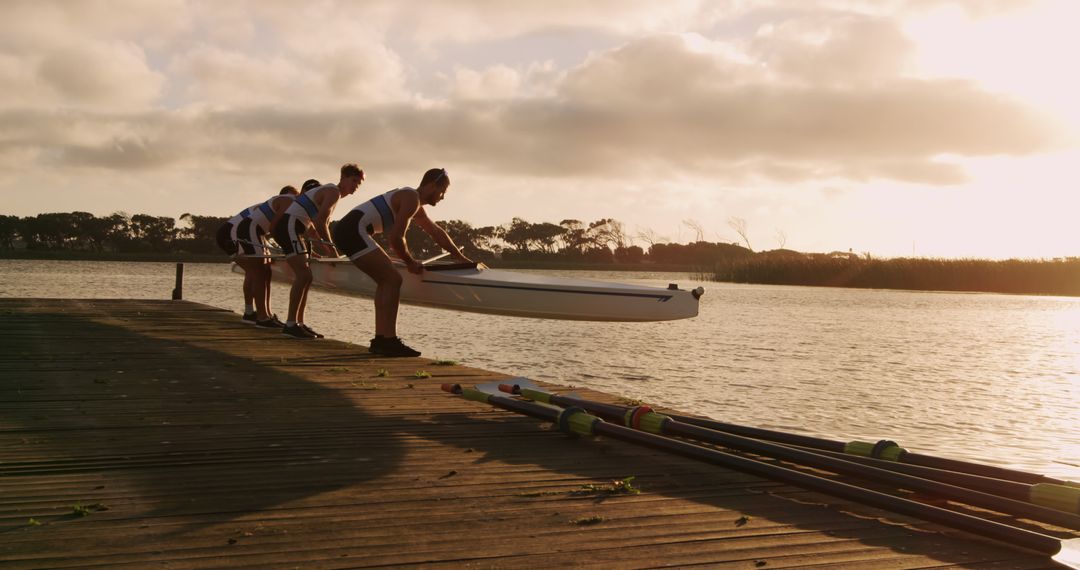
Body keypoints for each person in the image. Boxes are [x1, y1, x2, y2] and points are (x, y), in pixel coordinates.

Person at [332, 167, 472, 357]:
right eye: (442, 192)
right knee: (393, 279)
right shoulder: (410, 198)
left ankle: (380, 340)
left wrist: (458, 255)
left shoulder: (414, 203)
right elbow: (396, 238)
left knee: (386, 280)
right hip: (352, 230)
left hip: (348, 231)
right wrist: (410, 262)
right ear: (431, 186)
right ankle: (389, 340)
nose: (442, 197)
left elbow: (435, 231)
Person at [272, 164, 365, 339]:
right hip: (290, 226)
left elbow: (316, 227)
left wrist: (328, 251)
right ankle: (291, 324)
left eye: (359, 184)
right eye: (353, 181)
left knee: (307, 277)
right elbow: (321, 222)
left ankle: (298, 322)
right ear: (343, 177)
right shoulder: (333, 192)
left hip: (297, 229)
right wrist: (332, 253)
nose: (355, 186)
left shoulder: (331, 194)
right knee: (304, 276)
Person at [229, 184, 303, 328]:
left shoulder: (284, 202)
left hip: (256, 232)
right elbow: (273, 227)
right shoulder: (289, 201)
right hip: (250, 230)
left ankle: (265, 314)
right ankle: (261, 317)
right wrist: (286, 249)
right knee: (259, 272)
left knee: (265, 270)